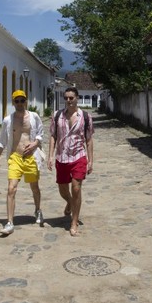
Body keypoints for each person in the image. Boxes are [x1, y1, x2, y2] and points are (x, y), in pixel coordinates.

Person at [0, 90, 45, 235]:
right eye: (17, 101)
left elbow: (40, 134)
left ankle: (38, 210)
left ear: (26, 101)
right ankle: (10, 222)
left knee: (34, 187)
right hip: (15, 157)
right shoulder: (8, 120)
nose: (20, 103)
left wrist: (35, 143)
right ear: (13, 102)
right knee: (11, 189)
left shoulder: (34, 117)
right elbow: (2, 140)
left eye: (22, 100)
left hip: (31, 157)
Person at [48, 86, 94, 237]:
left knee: (76, 188)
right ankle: (69, 202)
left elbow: (89, 140)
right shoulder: (57, 116)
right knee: (63, 189)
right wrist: (50, 156)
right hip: (61, 157)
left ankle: (74, 222)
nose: (68, 101)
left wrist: (90, 160)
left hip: (78, 156)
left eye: (71, 98)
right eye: (66, 98)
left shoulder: (85, 117)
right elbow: (53, 136)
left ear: (77, 98)